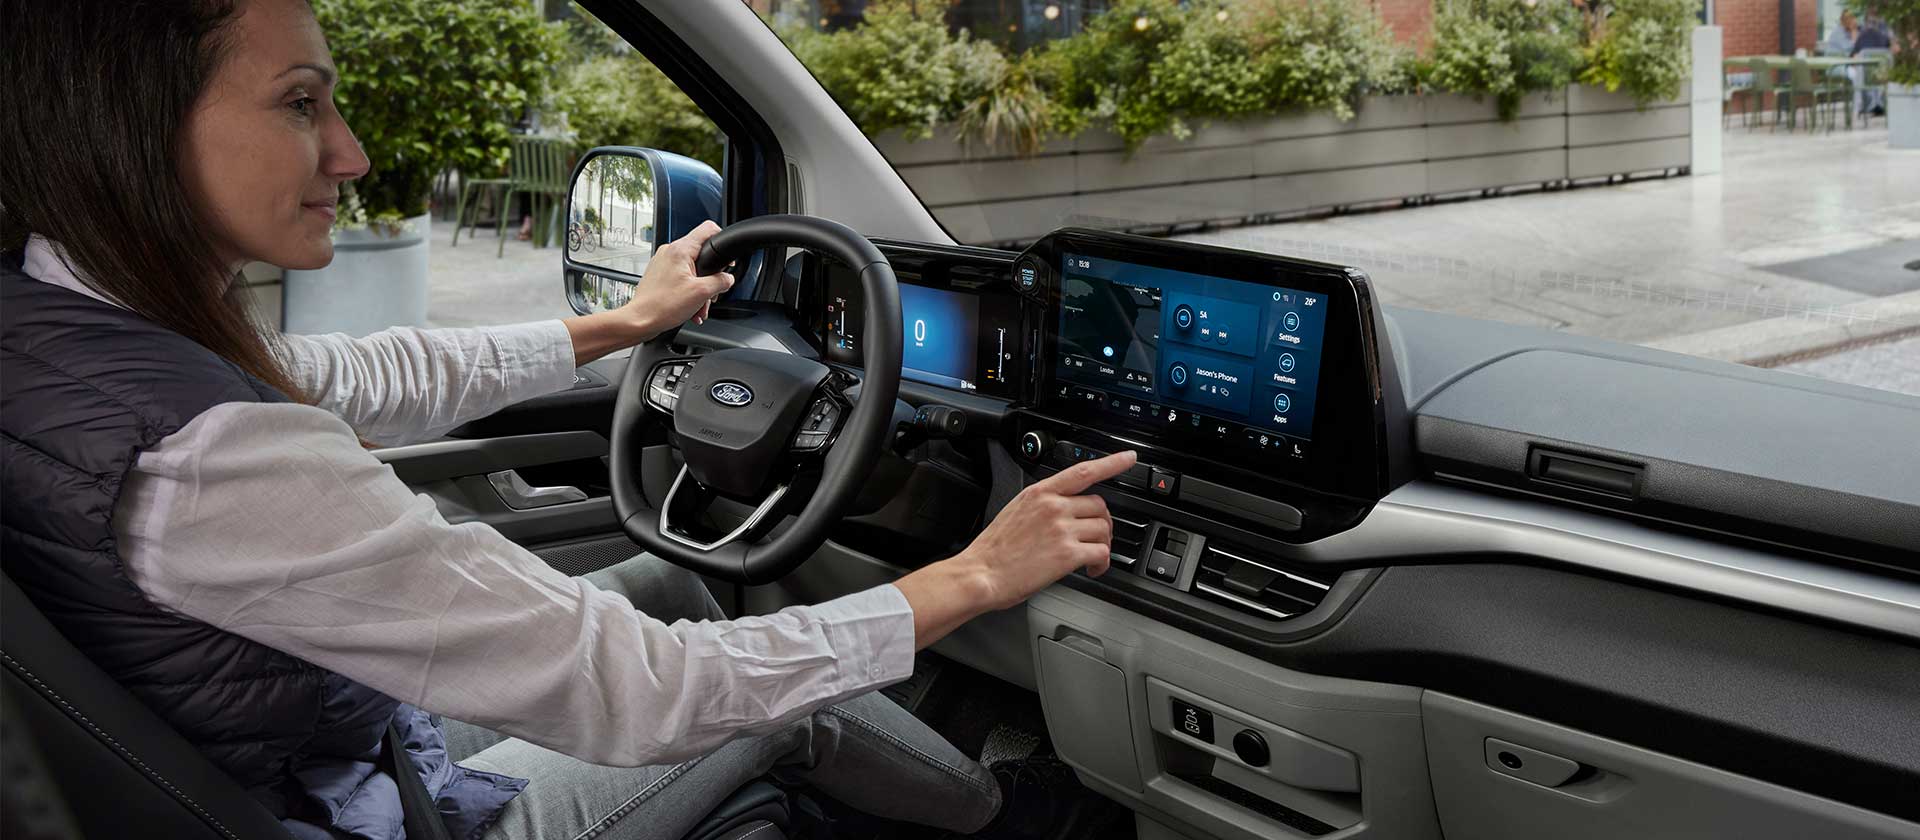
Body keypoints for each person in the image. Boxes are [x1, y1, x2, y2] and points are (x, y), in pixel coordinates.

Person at [0, 2, 1136, 839]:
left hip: (324, 755)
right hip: (371, 814)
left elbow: (374, 375)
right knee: (779, 706)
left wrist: (622, 325)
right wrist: (978, 576)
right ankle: (1018, 820)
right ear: (134, 128)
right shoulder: (209, 458)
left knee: (678, 588)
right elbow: (657, 694)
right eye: (302, 103)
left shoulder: (67, 327)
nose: (349, 152)